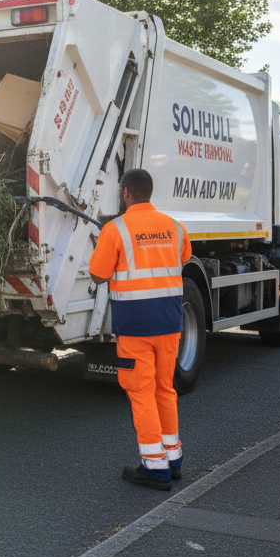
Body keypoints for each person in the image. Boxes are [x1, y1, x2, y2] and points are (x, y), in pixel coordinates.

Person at [88, 168, 192, 491]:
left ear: (125, 192)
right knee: (165, 389)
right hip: (170, 322)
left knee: (141, 393)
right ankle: (172, 459)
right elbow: (184, 257)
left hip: (135, 326)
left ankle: (154, 467)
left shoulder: (116, 229)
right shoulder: (175, 227)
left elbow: (97, 274)